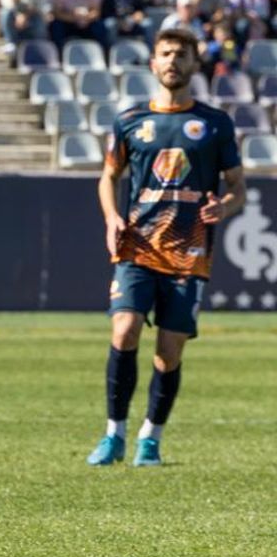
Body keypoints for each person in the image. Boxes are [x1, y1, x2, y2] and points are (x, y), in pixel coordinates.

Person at [87, 28, 245, 467]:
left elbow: (238, 187)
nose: (173, 60)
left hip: (188, 253)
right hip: (137, 246)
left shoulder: (214, 124)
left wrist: (225, 206)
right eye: (165, 53)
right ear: (153, 64)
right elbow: (108, 177)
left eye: (181, 54)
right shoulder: (130, 120)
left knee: (168, 351)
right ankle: (113, 434)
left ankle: (150, 438)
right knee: (124, 330)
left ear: (195, 64)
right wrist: (111, 218)